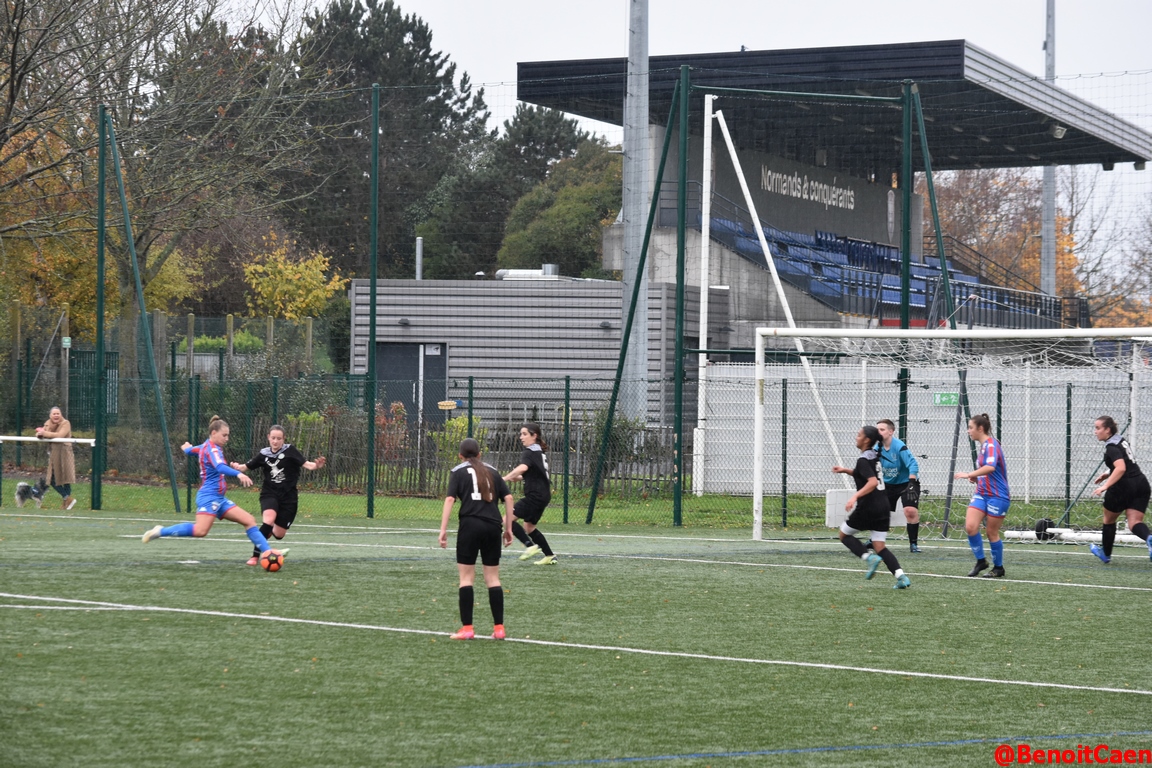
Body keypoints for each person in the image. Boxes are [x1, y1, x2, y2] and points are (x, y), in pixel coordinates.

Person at [141, 415, 280, 564]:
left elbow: (193, 450)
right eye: (224, 435)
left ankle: (268, 552)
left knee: (249, 520)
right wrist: (239, 474)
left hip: (219, 498)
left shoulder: (206, 446)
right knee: (200, 531)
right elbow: (219, 466)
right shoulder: (212, 449)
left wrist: (187, 449)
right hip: (209, 497)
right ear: (214, 433)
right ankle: (160, 531)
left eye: (228, 435)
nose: (227, 439)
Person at [439, 438, 514, 640]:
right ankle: (499, 628)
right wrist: (508, 528)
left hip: (470, 525)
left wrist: (443, 530)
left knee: (466, 578)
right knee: (493, 578)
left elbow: (450, 499)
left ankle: (467, 629)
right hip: (493, 526)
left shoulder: (457, 471)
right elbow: (508, 498)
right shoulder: (493, 471)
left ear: (460, 456)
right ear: (480, 455)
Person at [832, 425, 911, 589]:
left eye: (858, 435)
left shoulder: (863, 460)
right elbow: (864, 474)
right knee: (879, 546)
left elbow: (872, 482)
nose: (856, 437)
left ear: (866, 440)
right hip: (883, 506)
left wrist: (855, 496)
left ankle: (869, 558)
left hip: (869, 507)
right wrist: (845, 470)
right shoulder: (874, 456)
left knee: (844, 535)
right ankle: (901, 577)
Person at [233, 425, 326, 566]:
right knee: (268, 520)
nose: (275, 441)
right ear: (268, 437)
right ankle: (255, 556)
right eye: (273, 438)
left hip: (289, 497)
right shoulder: (264, 454)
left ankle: (268, 532)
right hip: (269, 493)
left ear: (284, 439)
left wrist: (316, 466)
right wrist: (237, 467)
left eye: (279, 438)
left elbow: (308, 465)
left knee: (279, 534)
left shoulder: (290, 451)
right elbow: (245, 467)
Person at [1088, 416, 1152, 564]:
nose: (1095, 432)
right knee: (1134, 522)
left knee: (1109, 520)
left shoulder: (1111, 447)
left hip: (1123, 487)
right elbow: (1126, 463)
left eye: (1098, 428)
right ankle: (1149, 538)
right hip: (1141, 484)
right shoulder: (1121, 440)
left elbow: (1121, 468)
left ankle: (1106, 554)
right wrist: (1107, 473)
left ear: (1107, 430)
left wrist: (1105, 486)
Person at [954, 413, 1009, 578]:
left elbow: (991, 467)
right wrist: (977, 477)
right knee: (970, 527)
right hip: (982, 493)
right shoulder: (984, 446)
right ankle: (981, 561)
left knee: (991, 532)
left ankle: (998, 568)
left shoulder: (991, 445)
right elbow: (987, 470)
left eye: (970, 427)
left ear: (980, 428)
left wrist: (969, 474)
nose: (968, 431)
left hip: (997, 495)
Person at [503, 422, 557, 565]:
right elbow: (535, 473)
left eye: (524, 434)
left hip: (535, 496)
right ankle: (550, 556)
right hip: (543, 495)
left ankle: (530, 546)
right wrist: (520, 477)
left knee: (507, 520)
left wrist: (505, 478)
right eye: (520, 434)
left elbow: (523, 467)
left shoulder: (530, 452)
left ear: (534, 436)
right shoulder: (539, 451)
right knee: (529, 527)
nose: (521, 437)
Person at [875, 419, 923, 553]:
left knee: (910, 511)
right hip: (888, 484)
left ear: (891, 432)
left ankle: (913, 544)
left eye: (882, 430)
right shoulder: (876, 448)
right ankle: (875, 540)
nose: (878, 432)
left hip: (906, 482)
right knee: (879, 511)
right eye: (877, 430)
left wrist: (912, 482)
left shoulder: (899, 446)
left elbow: (913, 464)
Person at [31, 406, 78, 510]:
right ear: (50, 415)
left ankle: (66, 502)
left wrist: (44, 433)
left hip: (65, 454)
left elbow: (60, 435)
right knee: (51, 479)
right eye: (54, 414)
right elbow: (42, 433)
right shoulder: (47, 424)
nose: (56, 415)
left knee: (65, 478)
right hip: (54, 454)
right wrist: (39, 434)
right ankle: (67, 498)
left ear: (61, 414)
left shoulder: (66, 423)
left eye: (58, 413)